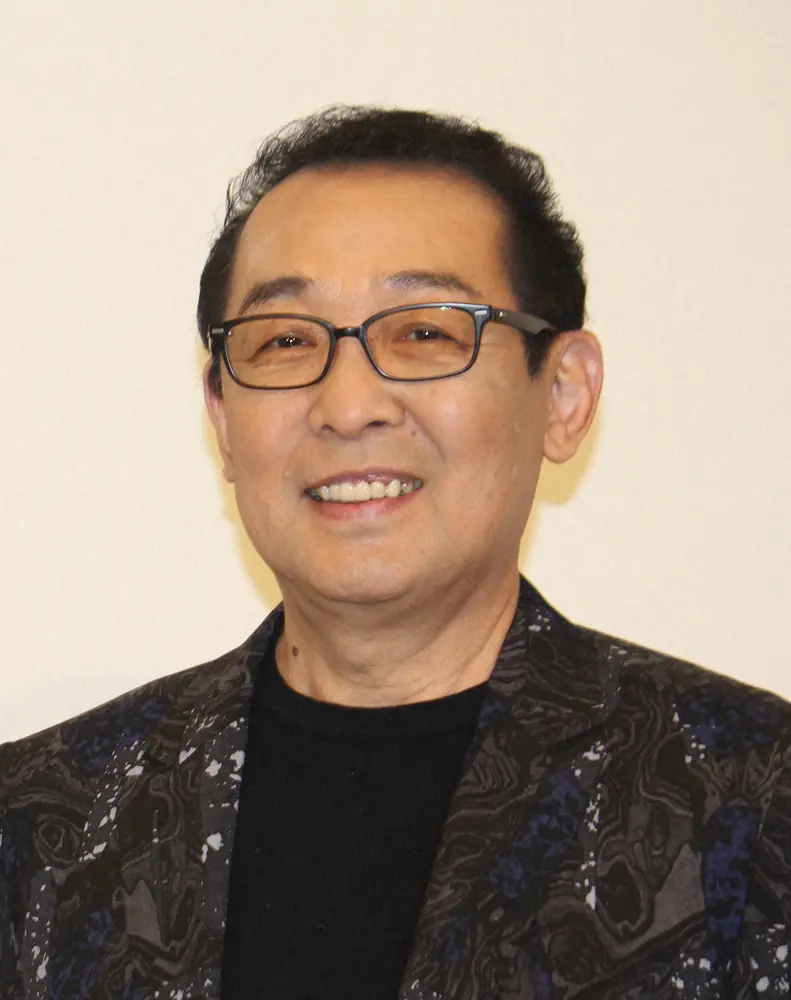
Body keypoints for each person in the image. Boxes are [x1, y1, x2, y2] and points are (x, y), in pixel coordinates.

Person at [1, 106, 789, 1000]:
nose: (348, 406)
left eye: (422, 333)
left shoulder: (749, 798)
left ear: (563, 394)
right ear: (221, 416)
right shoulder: (45, 826)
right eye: (286, 341)